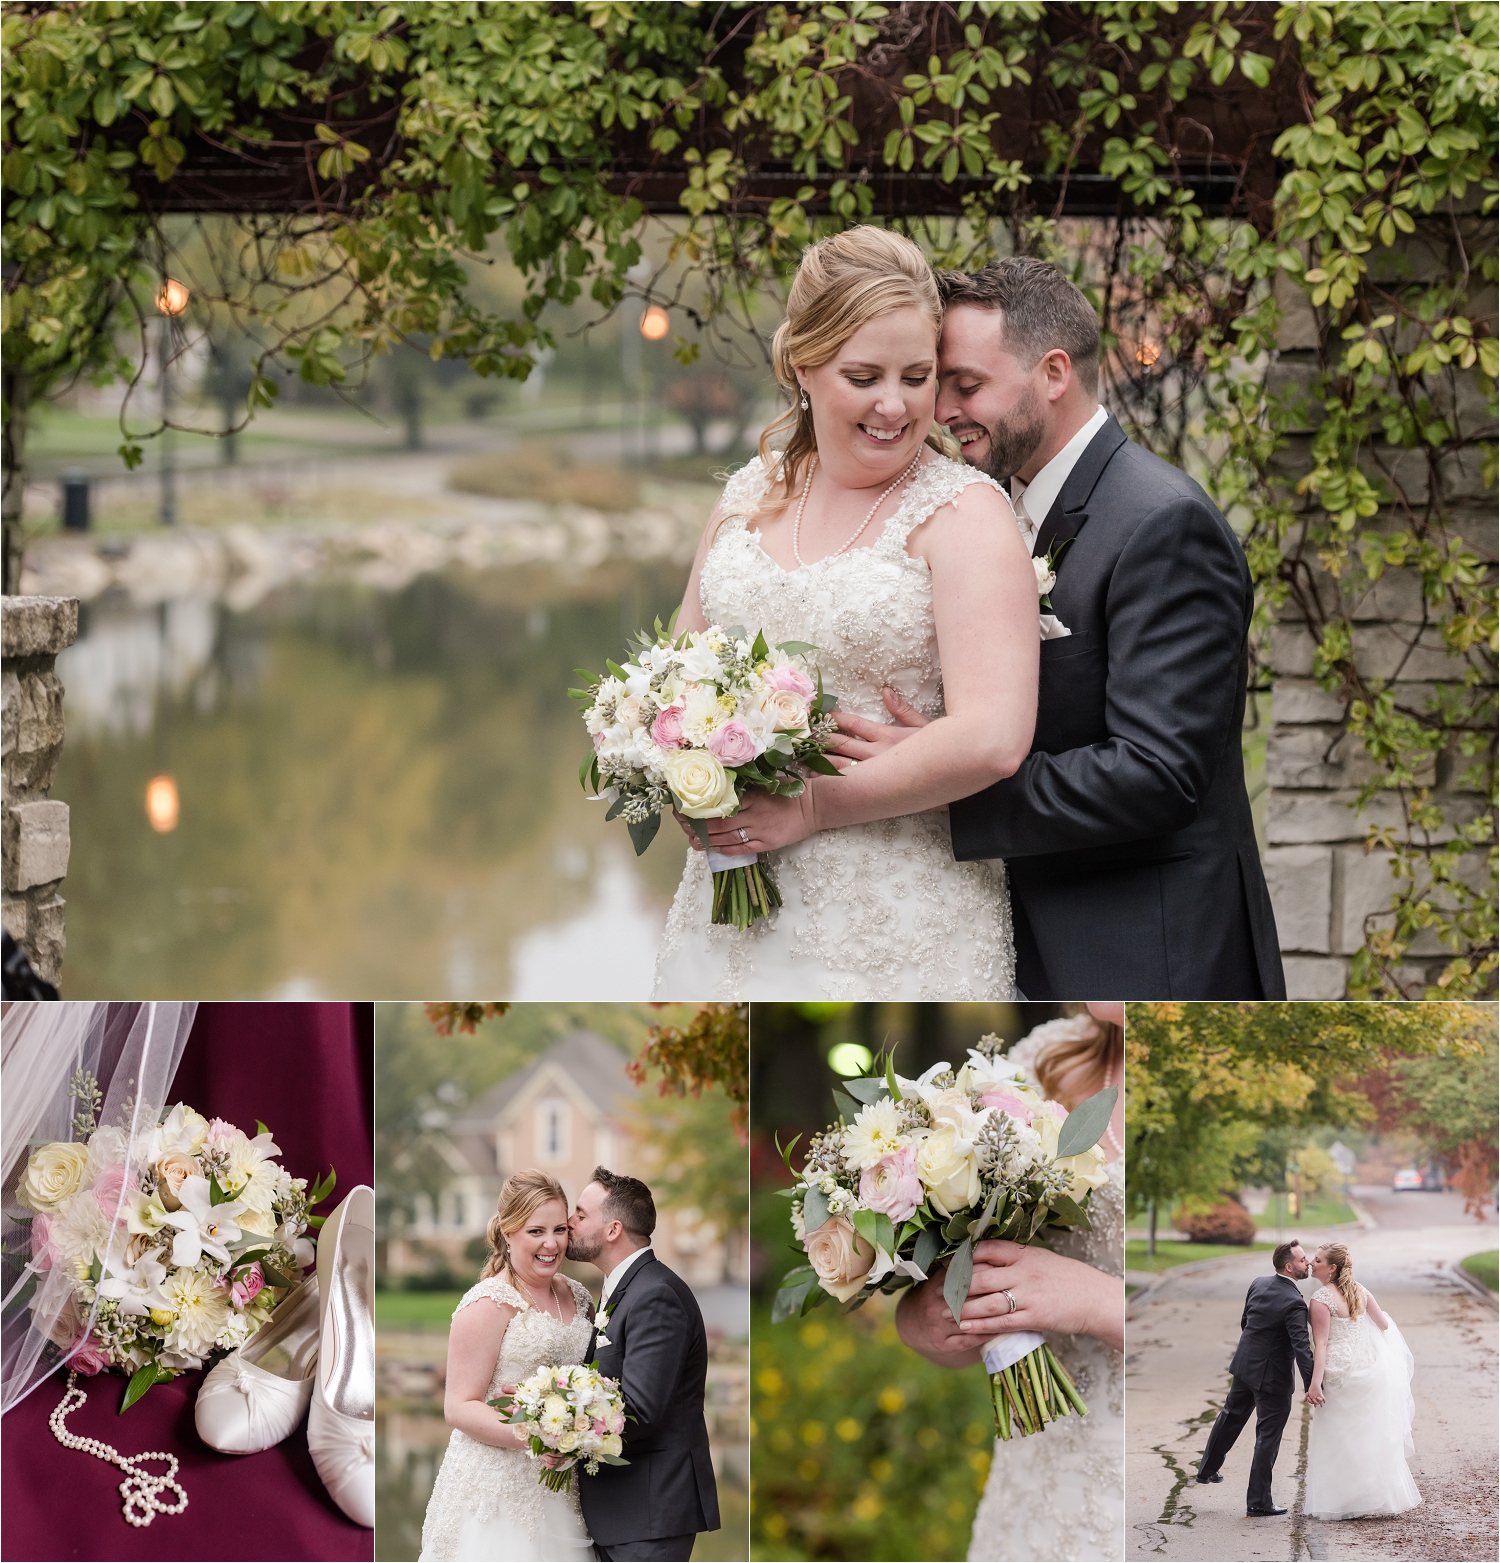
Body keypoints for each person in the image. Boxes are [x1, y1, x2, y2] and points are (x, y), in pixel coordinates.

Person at [832, 257, 1287, 1000]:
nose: (942, 409)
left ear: (1052, 373)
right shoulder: (989, 511)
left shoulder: (1160, 523)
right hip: (1018, 938)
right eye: (936, 382)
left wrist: (947, 781)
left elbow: (1158, 773)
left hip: (1146, 953)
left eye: (967, 384)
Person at [651, 226, 1038, 1000]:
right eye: (864, 375)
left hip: (898, 917)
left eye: (917, 375)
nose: (895, 404)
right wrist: (678, 776)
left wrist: (817, 804)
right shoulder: (747, 496)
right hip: (727, 899)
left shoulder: (966, 514)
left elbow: (995, 738)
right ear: (805, 365)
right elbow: (673, 674)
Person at [894, 1005, 1125, 1561]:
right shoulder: (1036, 1061)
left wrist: (1095, 1302)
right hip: (1030, 1494)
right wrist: (924, 1321)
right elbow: (972, 1290)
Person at [419, 1171, 595, 1562]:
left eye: (560, 1229)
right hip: (495, 1488)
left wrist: (578, 1429)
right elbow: (459, 1406)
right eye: (536, 1231)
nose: (551, 1244)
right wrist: (538, 1436)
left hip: (561, 1485)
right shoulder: (488, 1303)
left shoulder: (578, 1296)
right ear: (509, 1232)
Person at [566, 1168, 719, 1561]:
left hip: (650, 1514)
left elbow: (639, 1410)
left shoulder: (654, 1295)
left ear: (613, 1229)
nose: (569, 1222)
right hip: (625, 1513)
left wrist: (557, 1428)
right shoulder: (624, 1289)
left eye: (581, 1215)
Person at [1302, 1242, 1421, 1520]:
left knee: (1339, 1439)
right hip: (1369, 1372)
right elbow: (1383, 1325)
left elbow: (1320, 1344)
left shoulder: (1320, 1299)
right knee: (1367, 1435)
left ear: (1331, 1268)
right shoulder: (1361, 1292)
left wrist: (1315, 1383)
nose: (1311, 1262)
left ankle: (1343, 1502)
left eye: (1317, 1260)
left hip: (1339, 1376)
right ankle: (1371, 1497)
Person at [1194, 1240, 1313, 1516]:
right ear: (1289, 1266)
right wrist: (1312, 1384)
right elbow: (1301, 1347)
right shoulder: (1294, 1303)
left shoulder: (1259, 1283)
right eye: (1302, 1259)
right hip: (1273, 1379)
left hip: (1245, 1366)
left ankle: (1206, 1471)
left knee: (1229, 1417)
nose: (1307, 1262)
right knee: (1267, 1438)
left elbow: (1246, 1322)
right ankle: (1259, 1502)